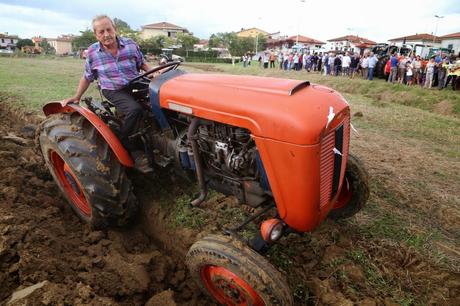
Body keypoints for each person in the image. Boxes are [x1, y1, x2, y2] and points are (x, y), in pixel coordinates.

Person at [62, 15, 154, 172]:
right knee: (134, 109)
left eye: (109, 29)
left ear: (115, 29)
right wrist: (77, 97)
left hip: (135, 82)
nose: (106, 34)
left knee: (158, 101)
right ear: (96, 35)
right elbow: (87, 77)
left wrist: (154, 74)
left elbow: (142, 63)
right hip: (113, 89)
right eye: (101, 32)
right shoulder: (92, 52)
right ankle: (126, 143)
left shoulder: (130, 45)